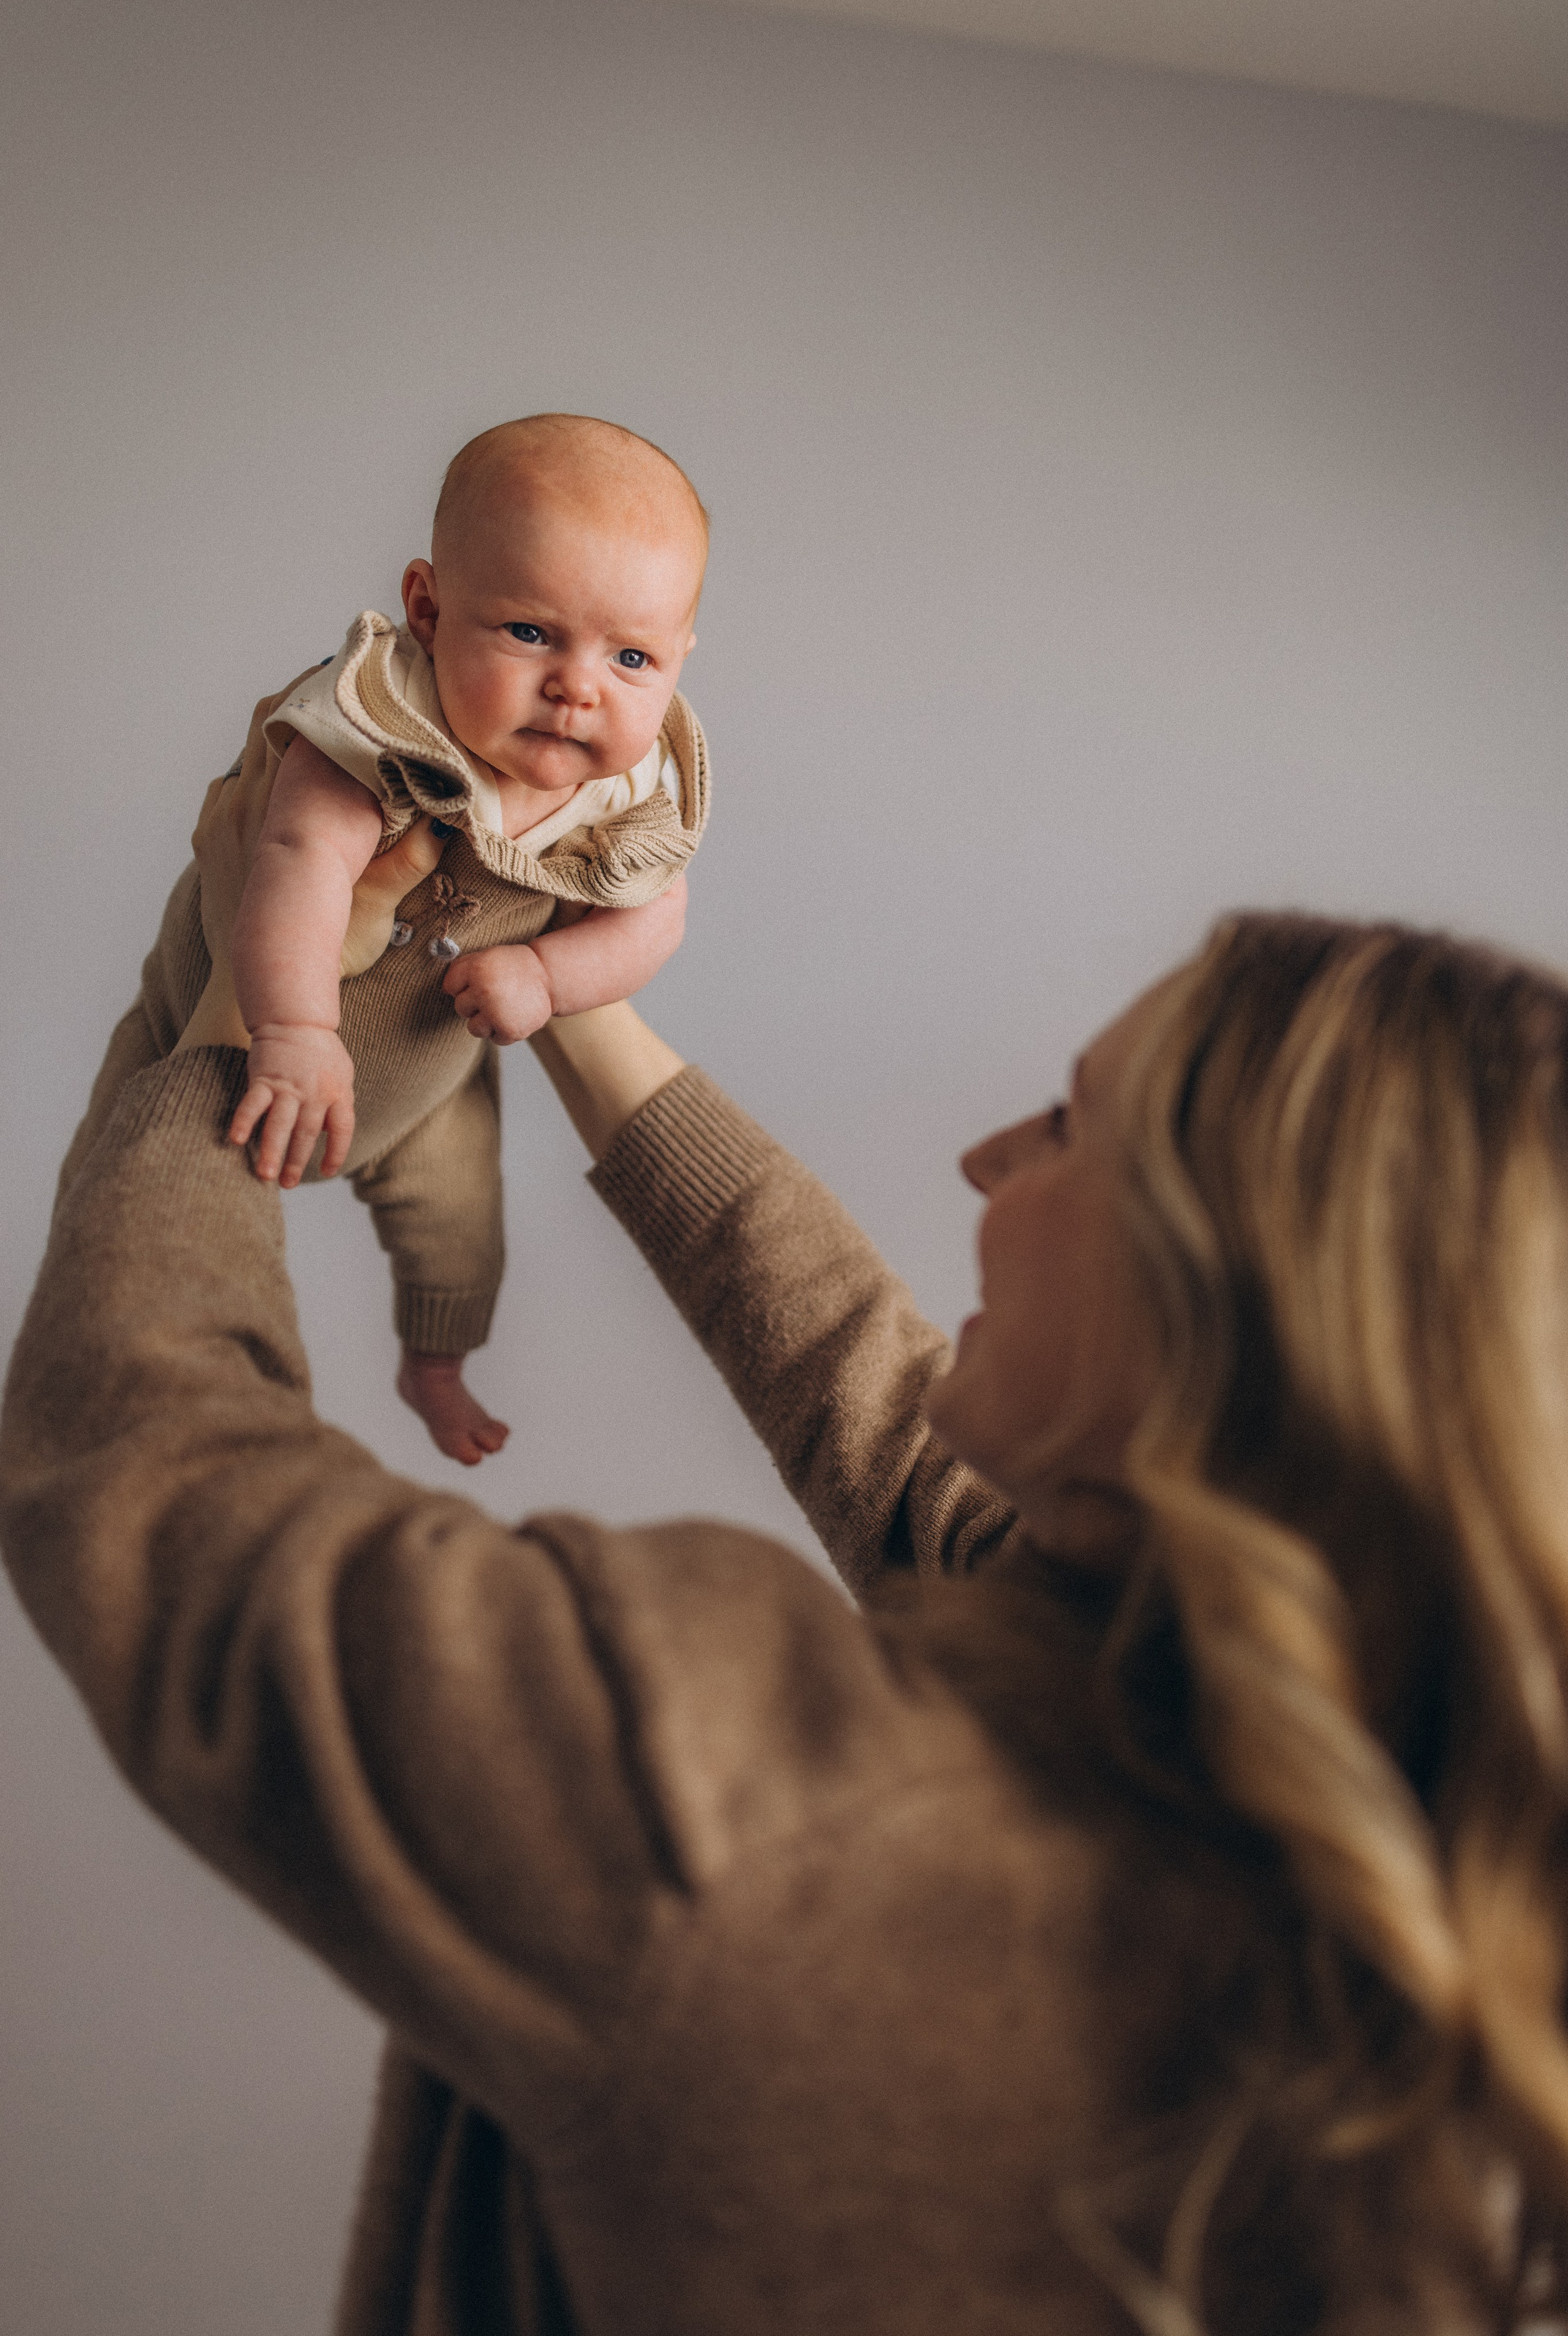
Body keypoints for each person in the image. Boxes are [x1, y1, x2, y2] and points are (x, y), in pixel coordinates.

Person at [7, 810, 1568, 2327]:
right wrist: (565, 987)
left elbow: (153, 1470)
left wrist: (244, 1004)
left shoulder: (735, 1825)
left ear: (1222, 1300)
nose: (981, 1156)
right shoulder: (1356, 1836)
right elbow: (872, 1409)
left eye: (1070, 1127)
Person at [60, 412, 709, 1465]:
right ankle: (83, 1352)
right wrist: (296, 1028)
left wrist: (551, 973)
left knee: (462, 1242)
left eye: (632, 657)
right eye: (531, 633)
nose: (579, 686)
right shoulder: (383, 725)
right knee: (115, 1188)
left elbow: (658, 917)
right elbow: (300, 865)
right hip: (229, 1026)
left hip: (425, 1084)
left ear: (680, 658)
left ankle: (434, 1367)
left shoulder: (632, 791)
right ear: (428, 607)